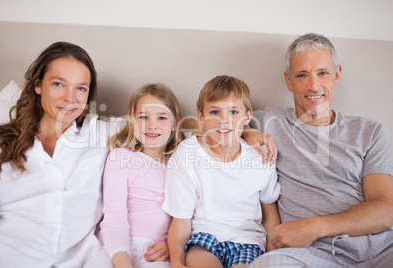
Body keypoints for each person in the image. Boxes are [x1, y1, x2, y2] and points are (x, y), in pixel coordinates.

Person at [244, 33, 393, 268]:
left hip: (383, 246)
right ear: (289, 80)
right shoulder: (270, 122)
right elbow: (208, 129)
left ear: (337, 75)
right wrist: (246, 132)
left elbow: (386, 210)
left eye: (322, 73)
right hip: (315, 256)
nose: (313, 86)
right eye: (302, 75)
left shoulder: (369, 131)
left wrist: (315, 226)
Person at [0, 42, 112, 267]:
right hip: (11, 258)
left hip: (79, 261)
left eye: (81, 88)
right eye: (58, 84)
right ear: (38, 85)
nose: (70, 97)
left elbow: (159, 130)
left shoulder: (102, 134)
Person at [162, 75, 281, 268]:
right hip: (205, 239)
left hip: (247, 241)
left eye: (233, 112)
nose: (224, 120)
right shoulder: (187, 154)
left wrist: (274, 256)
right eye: (214, 112)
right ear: (201, 116)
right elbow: (181, 220)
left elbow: (270, 214)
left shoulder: (261, 157)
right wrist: (176, 262)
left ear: (247, 116)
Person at [100, 83, 184, 268]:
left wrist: (172, 245)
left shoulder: (181, 166)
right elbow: (114, 217)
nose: (152, 125)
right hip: (116, 247)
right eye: (143, 117)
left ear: (175, 123)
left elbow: (188, 219)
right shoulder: (122, 157)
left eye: (162, 117)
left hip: (157, 253)